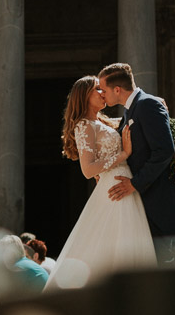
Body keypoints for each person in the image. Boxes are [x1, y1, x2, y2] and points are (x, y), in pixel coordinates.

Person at [44, 75, 156, 290]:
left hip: (125, 184)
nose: (103, 92)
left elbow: (134, 119)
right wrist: (124, 154)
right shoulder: (84, 126)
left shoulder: (102, 122)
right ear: (85, 94)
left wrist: (155, 102)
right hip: (113, 187)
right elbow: (88, 170)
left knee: (128, 243)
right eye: (98, 89)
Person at [100, 62, 175, 260]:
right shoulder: (131, 110)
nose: (102, 94)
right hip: (144, 202)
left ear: (117, 89)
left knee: (173, 265)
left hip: (160, 200)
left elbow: (164, 150)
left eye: (104, 89)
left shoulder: (147, 104)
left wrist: (135, 183)